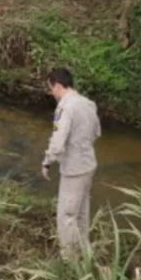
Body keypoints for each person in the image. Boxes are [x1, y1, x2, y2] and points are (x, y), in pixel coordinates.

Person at [41, 67, 101, 260]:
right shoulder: (88, 104)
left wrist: (47, 161)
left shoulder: (65, 108)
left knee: (66, 217)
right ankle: (85, 254)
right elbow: (97, 132)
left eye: (51, 88)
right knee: (82, 214)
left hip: (74, 169)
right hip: (89, 164)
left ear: (58, 86)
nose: (51, 93)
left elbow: (58, 141)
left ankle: (70, 261)